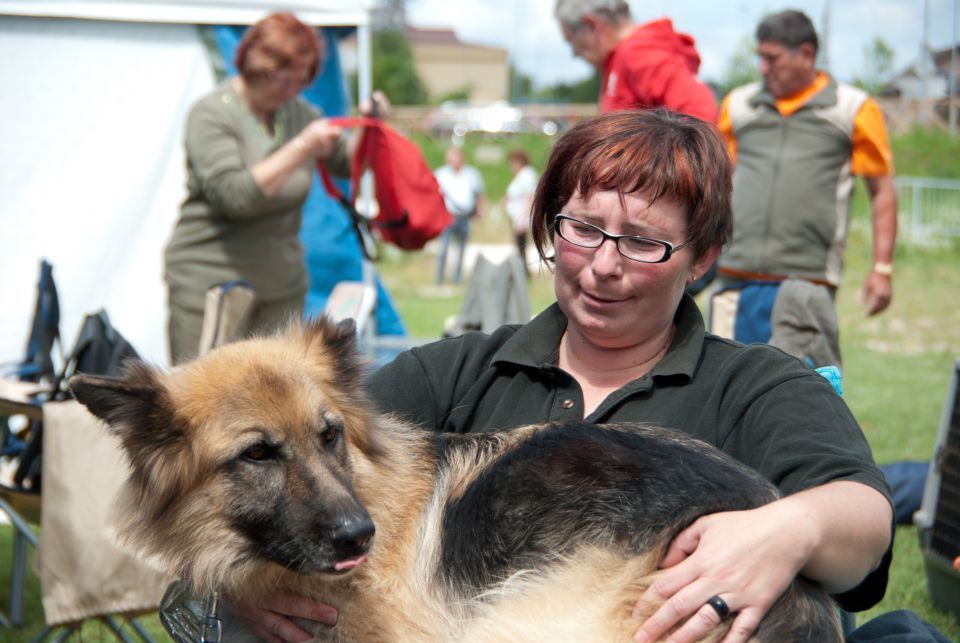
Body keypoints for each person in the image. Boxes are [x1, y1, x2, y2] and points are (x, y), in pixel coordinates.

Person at [233, 110, 897, 643]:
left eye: (643, 241)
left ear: (703, 258)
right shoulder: (458, 371)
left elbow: (866, 521)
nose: (603, 265)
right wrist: (246, 589)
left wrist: (790, 528)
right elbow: (272, 468)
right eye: (582, 229)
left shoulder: (755, 383)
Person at [163, 12, 380, 365]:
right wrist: (302, 147)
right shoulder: (211, 114)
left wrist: (370, 127)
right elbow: (235, 195)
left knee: (279, 391)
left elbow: (347, 163)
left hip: (282, 286)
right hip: (212, 286)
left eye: (301, 80)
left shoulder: (298, 113)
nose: (292, 89)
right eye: (284, 79)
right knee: (203, 402)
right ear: (256, 66)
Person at [714, 9, 898, 361]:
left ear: (807, 55)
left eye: (772, 58)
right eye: (760, 57)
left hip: (806, 284)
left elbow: (882, 191)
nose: (763, 68)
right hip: (734, 279)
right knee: (724, 398)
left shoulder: (853, 108)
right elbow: (716, 183)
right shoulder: (737, 105)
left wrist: (882, 268)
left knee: (798, 399)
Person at [554, 0, 717, 122]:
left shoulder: (636, 54)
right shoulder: (623, 58)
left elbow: (699, 112)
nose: (574, 53)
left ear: (591, 26)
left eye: (571, 41)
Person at [433, 146, 485, 285]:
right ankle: (439, 279)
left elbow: (479, 193)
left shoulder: (471, 174)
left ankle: (457, 278)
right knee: (443, 248)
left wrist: (480, 210)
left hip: (465, 216)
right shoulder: (441, 174)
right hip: (447, 216)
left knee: (461, 249)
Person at [502, 148, 538, 276]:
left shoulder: (527, 174)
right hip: (516, 215)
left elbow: (528, 197)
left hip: (521, 216)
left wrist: (523, 218)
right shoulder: (520, 176)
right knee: (518, 244)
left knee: (521, 244)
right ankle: (522, 270)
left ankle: (523, 271)